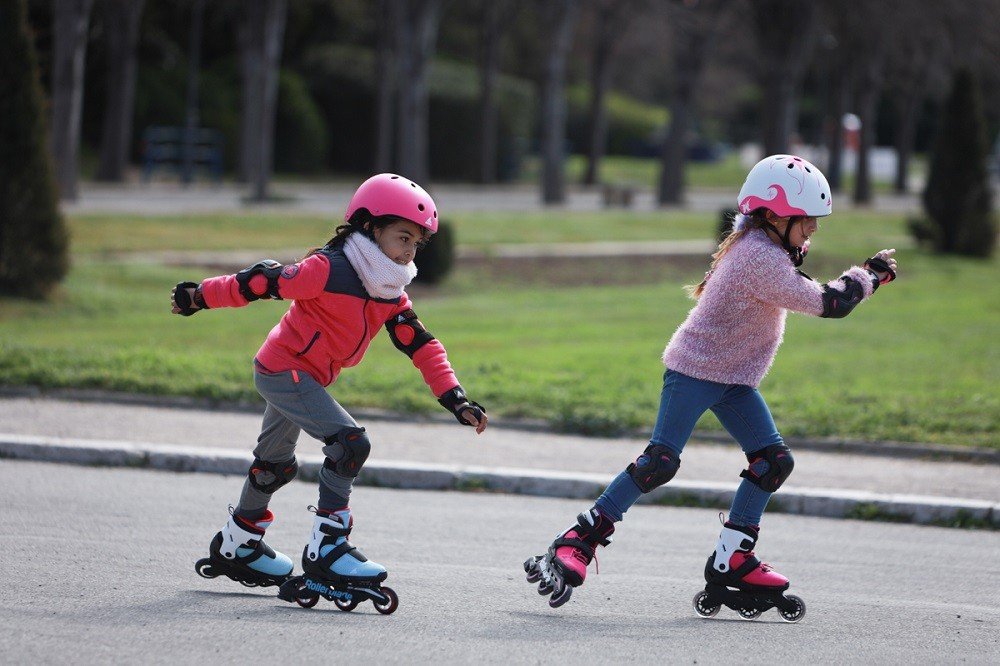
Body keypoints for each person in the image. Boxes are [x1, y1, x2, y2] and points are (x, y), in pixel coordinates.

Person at [524, 155, 897, 618]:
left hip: (733, 380)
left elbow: (810, 284)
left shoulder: (767, 248)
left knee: (772, 462)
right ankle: (576, 541)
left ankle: (733, 558)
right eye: (809, 223)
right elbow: (830, 303)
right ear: (777, 216)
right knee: (659, 462)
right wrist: (870, 275)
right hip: (695, 372)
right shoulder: (759, 257)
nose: (813, 232)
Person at [177, 174, 487, 609]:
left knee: (274, 465)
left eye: (416, 244)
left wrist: (455, 397)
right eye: (402, 237)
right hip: (284, 370)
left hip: (306, 377)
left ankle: (238, 542)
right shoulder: (327, 269)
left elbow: (421, 344)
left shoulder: (388, 290)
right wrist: (200, 296)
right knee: (350, 444)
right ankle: (327, 548)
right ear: (370, 226)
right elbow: (262, 281)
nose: (409, 251)